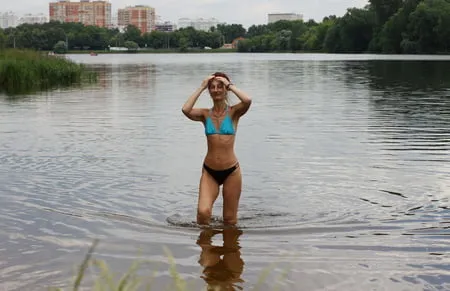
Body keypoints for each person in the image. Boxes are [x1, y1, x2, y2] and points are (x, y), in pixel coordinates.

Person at [182, 72, 252, 226]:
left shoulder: (234, 112)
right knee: (202, 213)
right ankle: (207, 248)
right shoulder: (205, 114)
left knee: (229, 220)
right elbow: (186, 109)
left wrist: (229, 85)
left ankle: (230, 249)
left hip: (231, 171)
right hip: (209, 171)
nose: (216, 90)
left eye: (220, 87)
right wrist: (201, 86)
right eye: (212, 87)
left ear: (225, 89)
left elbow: (247, 100)